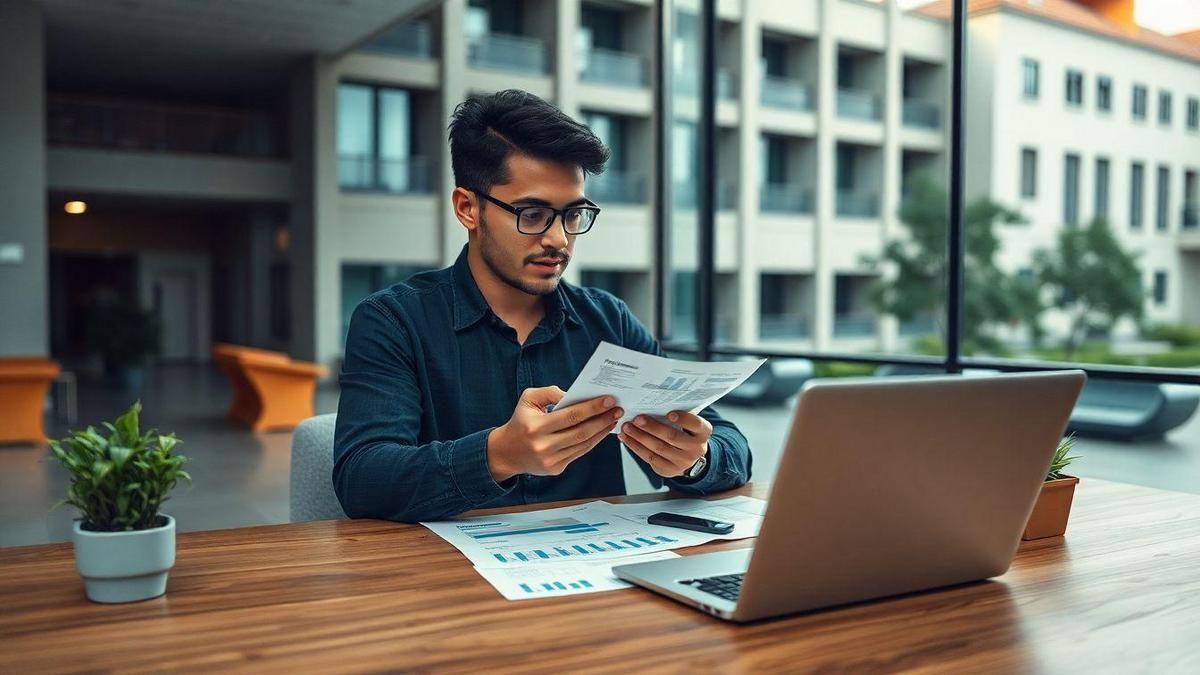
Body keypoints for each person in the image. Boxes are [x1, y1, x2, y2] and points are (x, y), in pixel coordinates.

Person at [333, 89, 751, 522]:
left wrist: (695, 459)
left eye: (573, 214)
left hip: (597, 569)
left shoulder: (608, 320)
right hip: (447, 577)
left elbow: (729, 443)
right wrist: (498, 455)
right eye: (532, 214)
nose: (559, 239)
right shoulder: (394, 321)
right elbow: (362, 479)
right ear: (468, 208)